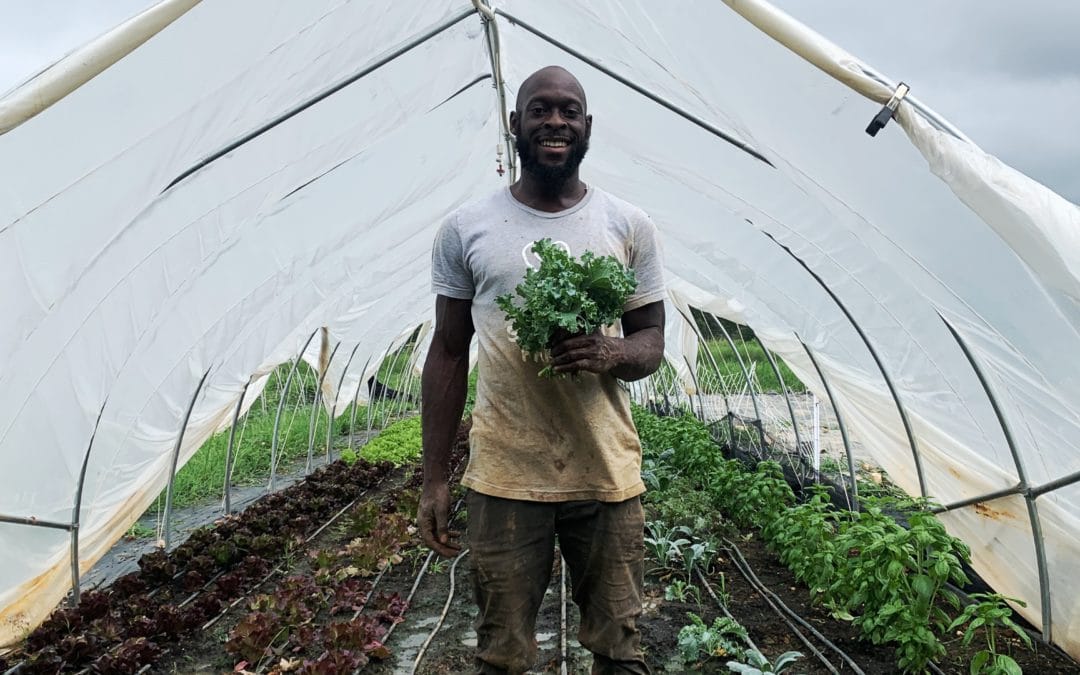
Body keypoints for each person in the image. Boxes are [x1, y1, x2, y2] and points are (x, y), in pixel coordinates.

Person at [418, 65, 666, 675]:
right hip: (504, 477)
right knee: (501, 654)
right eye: (540, 110)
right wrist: (434, 476)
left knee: (618, 648)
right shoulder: (466, 228)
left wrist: (613, 352)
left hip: (606, 475)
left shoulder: (627, 225)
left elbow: (653, 342)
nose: (555, 121)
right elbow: (448, 351)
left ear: (587, 127)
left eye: (569, 111)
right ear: (515, 123)